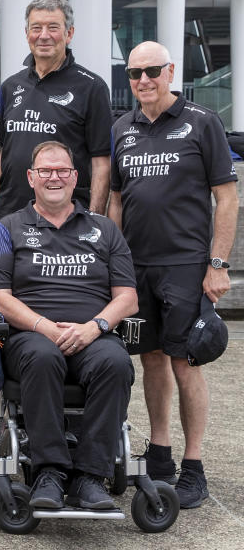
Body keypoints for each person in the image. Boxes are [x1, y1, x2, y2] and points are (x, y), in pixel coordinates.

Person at [108, 41, 239, 509]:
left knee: (186, 363)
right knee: (151, 359)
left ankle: (194, 465)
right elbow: (117, 200)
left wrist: (217, 265)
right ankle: (160, 453)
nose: (143, 80)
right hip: (136, 267)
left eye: (152, 71)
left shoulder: (201, 122)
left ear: (170, 71)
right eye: (134, 73)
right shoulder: (122, 127)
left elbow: (225, 197)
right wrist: (112, 261)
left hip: (185, 267)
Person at [0, 140, 137, 511]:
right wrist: (46, 328)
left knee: (116, 363)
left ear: (75, 177)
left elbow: (128, 298)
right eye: (46, 171)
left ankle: (89, 478)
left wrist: (95, 326)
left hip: (92, 335)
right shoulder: (8, 228)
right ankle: (48, 472)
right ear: (31, 178)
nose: (55, 177)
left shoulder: (105, 230)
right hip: (30, 338)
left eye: (62, 171)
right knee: (42, 357)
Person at [0, 0, 112, 218]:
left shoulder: (91, 87)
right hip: (11, 216)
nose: (44, 35)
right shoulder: (10, 87)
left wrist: (94, 218)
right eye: (36, 28)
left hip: (67, 221)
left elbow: (101, 162)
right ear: (27, 33)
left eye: (53, 27)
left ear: (69, 34)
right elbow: (5, 153)